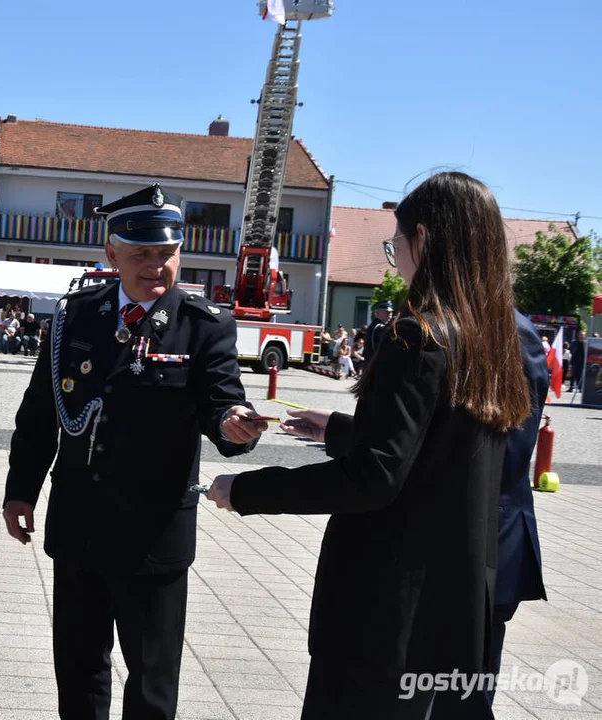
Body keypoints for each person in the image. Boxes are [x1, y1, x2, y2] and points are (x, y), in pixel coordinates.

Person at [206, 172, 531, 719]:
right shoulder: (488, 339)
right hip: (453, 606)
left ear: (423, 240)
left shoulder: (418, 335)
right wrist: (337, 428)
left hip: (384, 610)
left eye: (394, 244)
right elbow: (438, 451)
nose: (392, 258)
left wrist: (246, 489)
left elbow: (374, 478)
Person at [3, 184, 265, 720]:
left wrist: (234, 425)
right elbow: (38, 417)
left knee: (150, 682)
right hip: (79, 529)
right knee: (79, 674)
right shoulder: (75, 316)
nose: (156, 267)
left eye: (166, 254)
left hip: (153, 539)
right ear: (112, 254)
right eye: (142, 254)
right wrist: (19, 492)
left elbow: (222, 400)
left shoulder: (204, 325)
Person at [487, 311, 548, 706]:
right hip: (460, 541)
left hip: (491, 537)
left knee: (460, 694)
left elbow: (506, 449)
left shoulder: (508, 330)